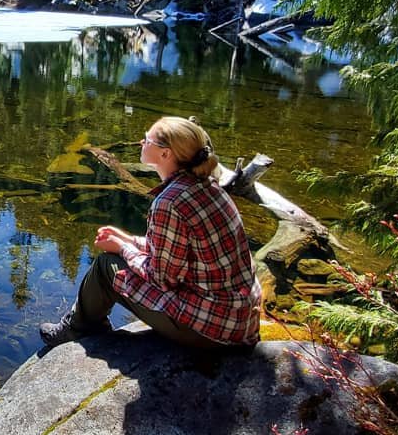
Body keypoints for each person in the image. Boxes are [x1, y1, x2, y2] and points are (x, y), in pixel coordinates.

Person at [39, 116, 262, 349]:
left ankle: (76, 330)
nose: (141, 141)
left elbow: (162, 278)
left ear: (166, 154)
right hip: (238, 320)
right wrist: (129, 238)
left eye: (147, 139)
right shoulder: (208, 186)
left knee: (106, 266)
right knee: (116, 259)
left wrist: (123, 248)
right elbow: (180, 253)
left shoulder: (169, 202)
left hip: (213, 331)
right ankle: (87, 325)